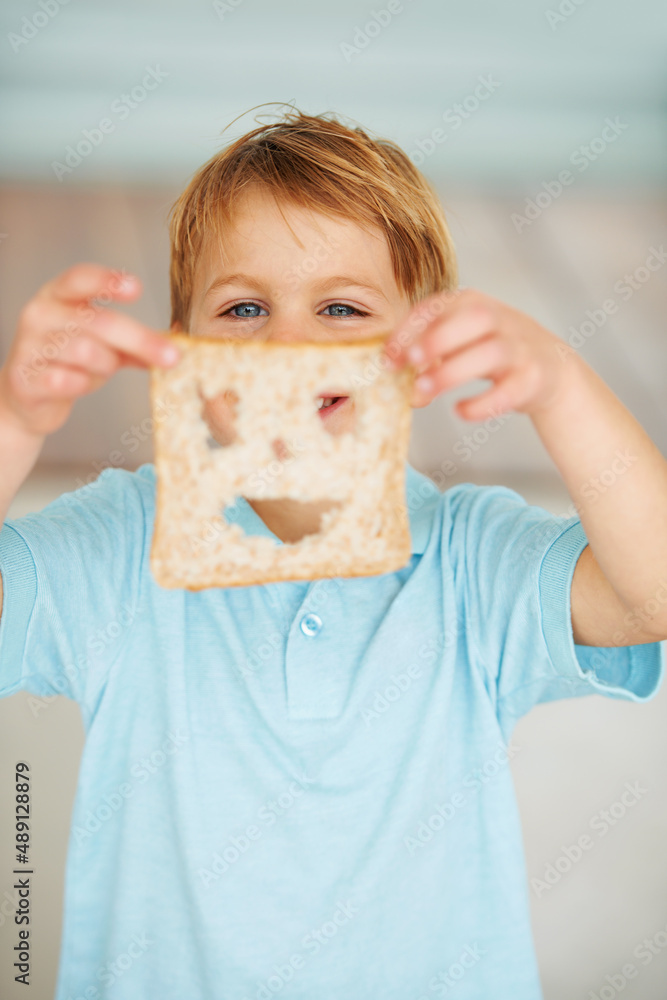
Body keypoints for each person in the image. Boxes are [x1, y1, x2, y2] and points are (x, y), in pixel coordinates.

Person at [0, 108, 665, 1000]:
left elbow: (651, 593)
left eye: (341, 309)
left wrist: (560, 383)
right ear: (177, 346)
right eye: (243, 308)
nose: (288, 344)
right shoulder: (121, 544)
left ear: (418, 345)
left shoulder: (470, 559)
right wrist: (15, 420)